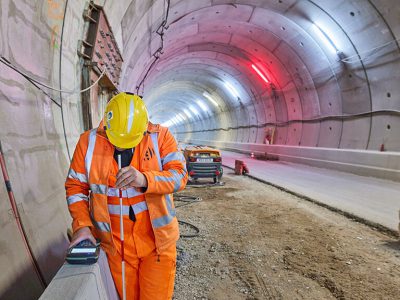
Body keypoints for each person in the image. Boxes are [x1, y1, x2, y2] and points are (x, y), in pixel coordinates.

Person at [65, 92, 187, 299]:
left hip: (157, 245)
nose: (121, 146)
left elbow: (180, 176)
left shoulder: (161, 137)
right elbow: (76, 187)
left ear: (144, 128)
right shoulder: (88, 143)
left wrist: (145, 180)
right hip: (115, 247)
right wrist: (82, 226)